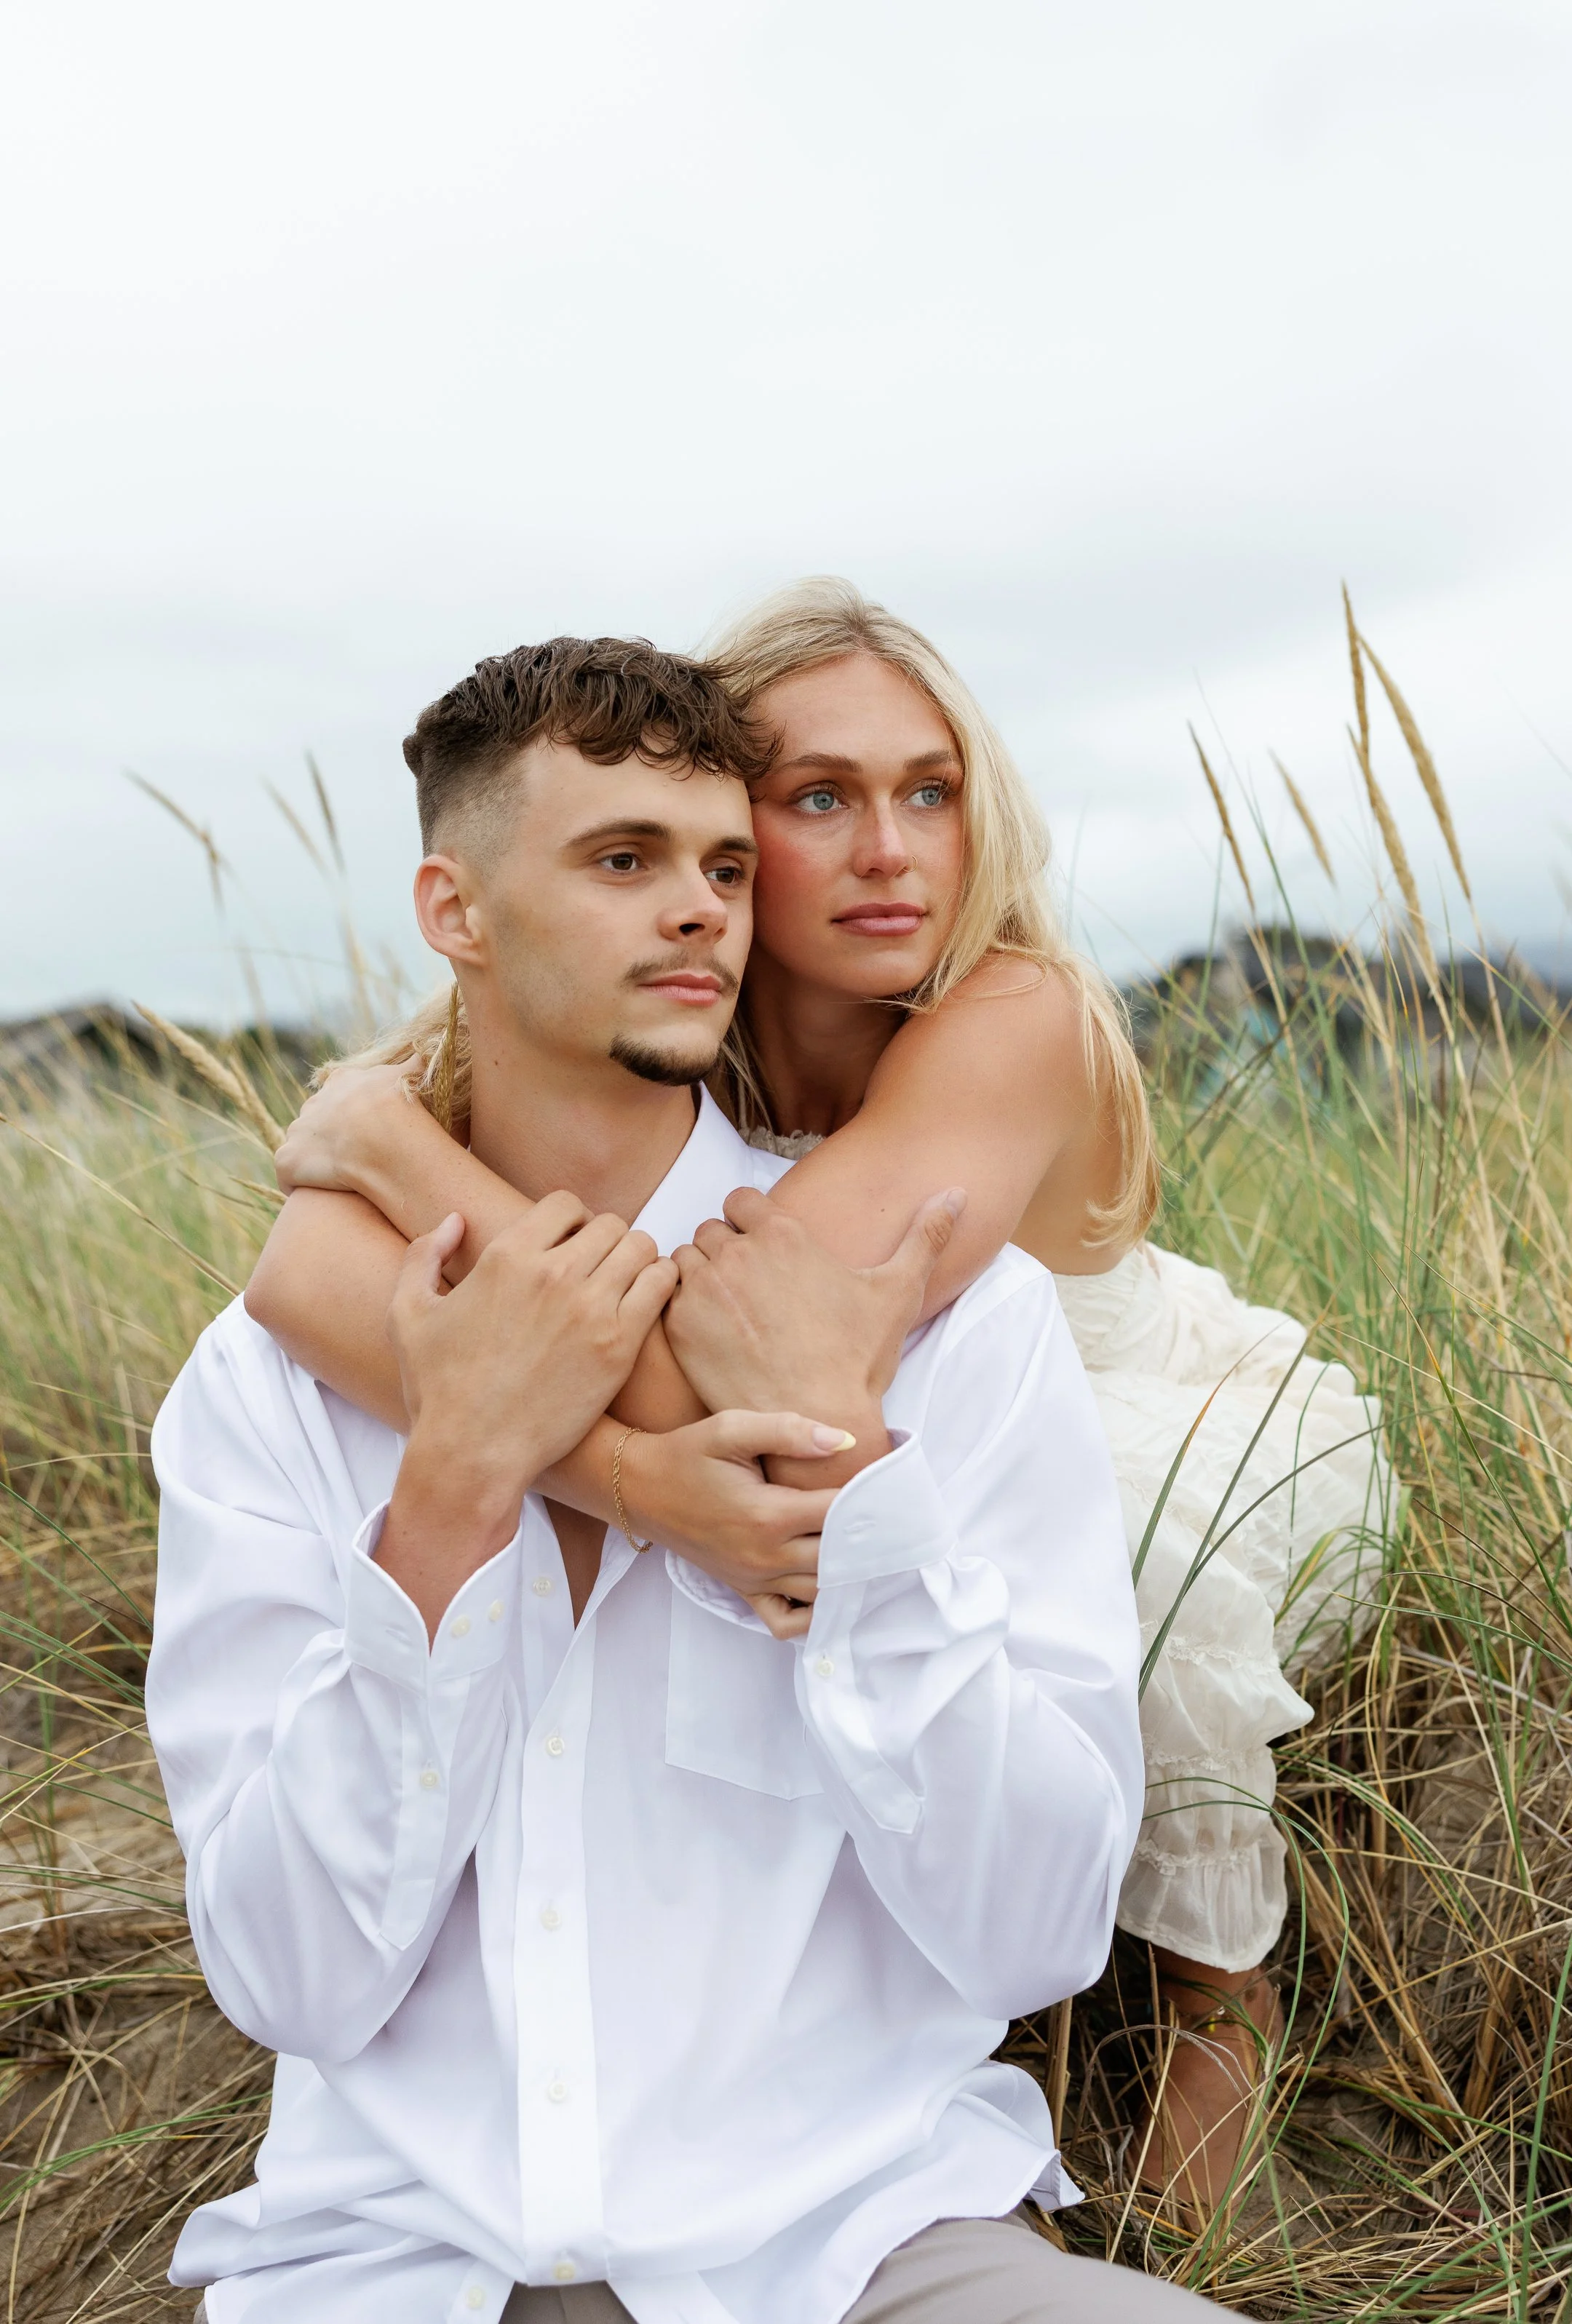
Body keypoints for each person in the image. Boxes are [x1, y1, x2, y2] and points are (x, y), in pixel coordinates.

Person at [250, 584, 1395, 2216]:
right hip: (888, 1425)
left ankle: (1222, 2001)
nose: (891, 850)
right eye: (817, 800)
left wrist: (390, 1153)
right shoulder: (659, 1014)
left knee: (1139, 1537)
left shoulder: (1016, 1011)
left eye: (931, 790)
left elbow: (733, 1353)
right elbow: (299, 1276)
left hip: (1170, 1414)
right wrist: (638, 1483)